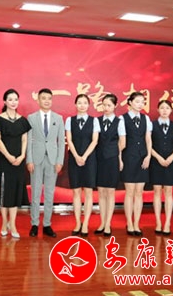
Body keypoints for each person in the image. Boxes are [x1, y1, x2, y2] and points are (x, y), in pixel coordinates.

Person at [0, 89, 30, 238]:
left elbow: (24, 139)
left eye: (16, 99)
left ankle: (12, 224)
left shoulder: (23, 121)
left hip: (19, 160)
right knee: (4, 191)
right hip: (4, 160)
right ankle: (3, 223)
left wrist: (22, 156)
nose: (13, 102)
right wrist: (8, 156)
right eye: (10, 99)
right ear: (5, 101)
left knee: (15, 191)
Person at [26, 88, 65, 238]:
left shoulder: (58, 118)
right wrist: (29, 160)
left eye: (49, 98)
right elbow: (29, 141)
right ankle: (34, 224)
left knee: (49, 193)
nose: (47, 101)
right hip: (36, 160)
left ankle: (47, 224)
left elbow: (61, 142)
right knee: (35, 193)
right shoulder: (31, 118)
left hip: (52, 160)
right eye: (43, 98)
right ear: (38, 100)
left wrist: (59, 161)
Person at [65, 94, 99, 237]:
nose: (82, 105)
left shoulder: (94, 121)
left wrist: (84, 157)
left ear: (89, 105)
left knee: (89, 192)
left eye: (85, 103)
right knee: (76, 192)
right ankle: (78, 222)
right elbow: (69, 140)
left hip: (89, 160)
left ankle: (86, 224)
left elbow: (94, 141)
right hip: (74, 159)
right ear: (75, 104)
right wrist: (77, 156)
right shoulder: (70, 120)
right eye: (79, 102)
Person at [121, 92, 152, 237]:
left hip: (142, 158)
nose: (140, 104)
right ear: (130, 102)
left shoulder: (146, 119)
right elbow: (121, 141)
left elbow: (148, 139)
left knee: (139, 192)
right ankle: (129, 222)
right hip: (128, 158)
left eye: (142, 102)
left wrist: (148, 156)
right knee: (130, 192)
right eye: (137, 101)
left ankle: (137, 223)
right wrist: (120, 159)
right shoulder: (122, 119)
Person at [94, 93, 125, 237]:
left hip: (112, 159)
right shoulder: (97, 120)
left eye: (109, 105)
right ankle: (102, 222)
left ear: (115, 106)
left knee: (110, 192)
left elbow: (122, 142)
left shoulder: (120, 122)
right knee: (101, 192)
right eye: (104, 105)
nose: (106, 108)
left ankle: (108, 223)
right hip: (99, 159)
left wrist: (117, 156)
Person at [149, 100, 173, 236]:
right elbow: (148, 145)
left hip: (170, 161)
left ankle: (167, 223)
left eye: (167, 108)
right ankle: (158, 222)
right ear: (158, 110)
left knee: (168, 192)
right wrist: (159, 158)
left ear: (171, 110)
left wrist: (171, 158)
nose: (164, 110)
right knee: (157, 191)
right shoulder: (151, 125)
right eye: (162, 108)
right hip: (156, 161)